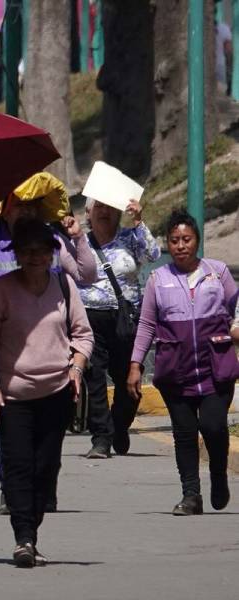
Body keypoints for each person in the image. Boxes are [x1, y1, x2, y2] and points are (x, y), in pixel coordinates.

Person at [0, 171, 97, 514]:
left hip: (48, 348)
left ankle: (41, 483)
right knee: (8, 428)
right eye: (18, 205)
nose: (25, 212)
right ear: (5, 208)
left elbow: (87, 274)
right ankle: (11, 487)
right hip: (6, 352)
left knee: (47, 437)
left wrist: (78, 239)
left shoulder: (52, 242)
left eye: (31, 205)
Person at [0, 218, 94, 568]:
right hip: (12, 397)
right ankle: (23, 538)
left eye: (41, 251)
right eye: (26, 251)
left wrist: (76, 367)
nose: (34, 257)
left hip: (56, 394)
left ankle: (31, 530)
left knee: (46, 468)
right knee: (18, 467)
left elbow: (83, 334)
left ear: (52, 254)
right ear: (16, 255)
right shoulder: (1, 290)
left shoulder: (64, 285)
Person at [127, 209, 238, 516]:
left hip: (216, 367)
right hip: (176, 369)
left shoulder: (217, 273)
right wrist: (136, 365)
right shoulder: (157, 279)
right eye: (174, 240)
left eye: (186, 239)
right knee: (184, 434)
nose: (180, 246)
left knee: (213, 425)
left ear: (197, 241)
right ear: (168, 244)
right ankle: (191, 495)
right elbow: (147, 325)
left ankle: (218, 475)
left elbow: (236, 306)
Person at [79, 198, 161, 459]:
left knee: (130, 380)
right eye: (98, 207)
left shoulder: (130, 238)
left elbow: (153, 255)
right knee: (94, 380)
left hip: (126, 319)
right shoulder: (77, 242)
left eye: (110, 207)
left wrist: (138, 221)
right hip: (90, 318)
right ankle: (101, 438)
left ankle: (119, 425)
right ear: (88, 213)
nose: (104, 212)